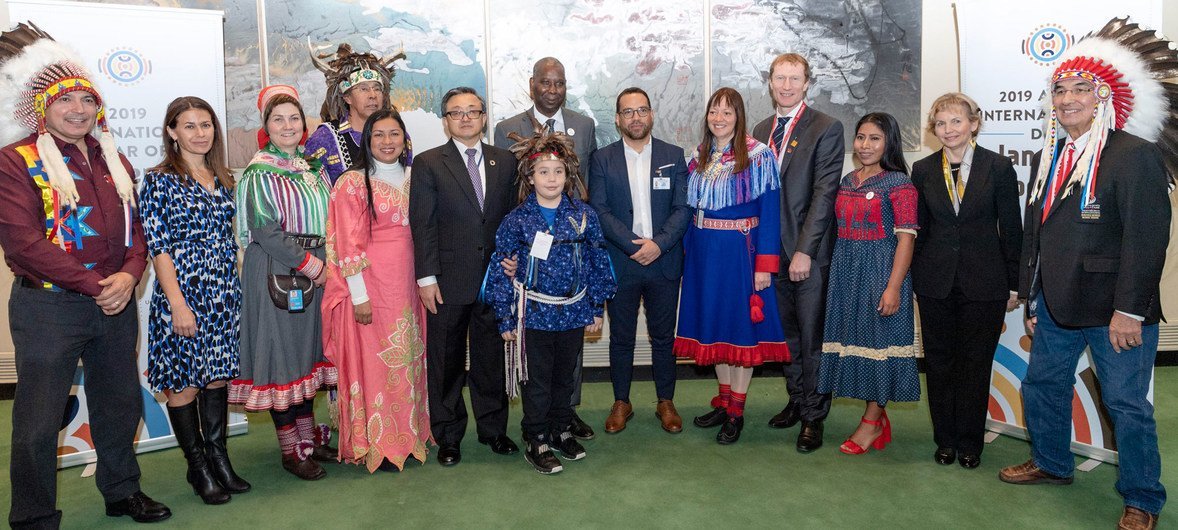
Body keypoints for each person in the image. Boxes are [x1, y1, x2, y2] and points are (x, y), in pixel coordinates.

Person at [999, 19, 1174, 530]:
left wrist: (1129, 311)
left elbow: (1146, 241)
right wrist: (1033, 297)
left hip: (1115, 310)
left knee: (1126, 405)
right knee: (1042, 386)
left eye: (1080, 89)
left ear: (1101, 98)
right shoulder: (1053, 155)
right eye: (1060, 89)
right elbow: (1039, 232)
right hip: (1055, 304)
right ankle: (1053, 464)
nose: (1068, 97)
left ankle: (1142, 498)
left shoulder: (1134, 155)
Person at [0, 23, 172, 526]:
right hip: (49, 307)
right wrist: (100, 285)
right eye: (64, 100)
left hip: (115, 303)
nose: (78, 109)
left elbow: (136, 231)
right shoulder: (16, 162)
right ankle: (33, 518)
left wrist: (130, 274)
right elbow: (23, 243)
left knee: (119, 406)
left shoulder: (114, 159)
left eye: (86, 98)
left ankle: (122, 492)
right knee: (38, 421)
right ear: (42, 109)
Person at [485, 131, 616, 474]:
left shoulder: (583, 216)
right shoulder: (516, 221)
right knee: (537, 381)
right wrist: (505, 319)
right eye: (543, 171)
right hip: (533, 316)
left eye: (558, 171)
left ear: (568, 175)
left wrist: (596, 309)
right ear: (530, 177)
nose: (551, 178)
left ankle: (559, 430)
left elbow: (598, 262)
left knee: (564, 379)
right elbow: (501, 270)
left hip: (573, 313)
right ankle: (537, 438)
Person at [140, 96, 251, 505]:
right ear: (172, 131)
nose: (200, 133)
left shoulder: (224, 177)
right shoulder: (158, 180)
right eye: (189, 125)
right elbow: (159, 248)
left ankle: (219, 458)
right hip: (183, 292)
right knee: (184, 384)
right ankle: (198, 467)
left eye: (206, 125)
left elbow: (232, 239)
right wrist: (178, 305)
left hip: (223, 291)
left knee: (217, 377)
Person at [230, 85, 339, 481]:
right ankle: (292, 451)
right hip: (281, 268)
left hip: (314, 268)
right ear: (266, 127)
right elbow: (266, 232)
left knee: (306, 355)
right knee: (283, 357)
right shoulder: (260, 172)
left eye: (294, 118)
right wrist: (313, 265)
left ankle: (309, 440)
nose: (288, 126)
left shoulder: (312, 170)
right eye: (279, 119)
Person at [409, 87, 520, 466]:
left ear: (484, 117)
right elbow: (421, 225)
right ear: (445, 121)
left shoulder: (505, 162)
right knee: (446, 361)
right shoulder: (428, 163)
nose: (466, 118)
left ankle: (493, 430)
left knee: (490, 360)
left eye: (473, 111)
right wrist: (426, 278)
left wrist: (513, 261)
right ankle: (449, 435)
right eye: (456, 113)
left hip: (493, 281)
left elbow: (510, 221)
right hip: (447, 281)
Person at [911, 92, 1022, 469]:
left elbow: (1011, 228)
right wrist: (914, 280)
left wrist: (1013, 284)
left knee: (976, 365)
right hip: (935, 283)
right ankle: (945, 440)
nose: (948, 129)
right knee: (939, 363)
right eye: (941, 123)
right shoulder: (924, 170)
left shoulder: (999, 168)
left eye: (956, 121)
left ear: (973, 123)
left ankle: (971, 442)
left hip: (986, 283)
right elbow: (919, 231)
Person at [674, 87, 789, 445]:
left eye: (727, 112)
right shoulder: (698, 157)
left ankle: (737, 410)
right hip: (703, 255)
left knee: (740, 332)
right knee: (716, 329)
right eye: (714, 111)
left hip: (741, 255)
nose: (719, 118)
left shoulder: (759, 156)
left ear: (738, 117)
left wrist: (764, 265)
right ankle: (724, 402)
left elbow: (770, 213)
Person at [494, 58, 598, 439]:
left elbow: (589, 186)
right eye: (545, 83)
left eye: (559, 83)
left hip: (571, 251)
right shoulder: (508, 129)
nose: (552, 90)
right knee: (538, 361)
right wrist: (514, 251)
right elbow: (506, 193)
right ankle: (538, 428)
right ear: (532, 84)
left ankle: (565, 416)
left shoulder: (585, 126)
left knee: (569, 353)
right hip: (531, 256)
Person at [322, 108, 431, 472]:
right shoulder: (352, 183)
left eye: (394, 134)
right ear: (367, 141)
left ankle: (410, 435)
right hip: (371, 288)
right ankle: (378, 443)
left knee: (410, 358)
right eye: (378, 135)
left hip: (410, 284)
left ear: (405, 140)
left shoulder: (418, 177)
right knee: (376, 362)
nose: (387, 142)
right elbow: (345, 243)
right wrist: (359, 295)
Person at [750, 53, 844, 453]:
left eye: (794, 78)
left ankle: (813, 417)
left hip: (808, 254)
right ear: (770, 82)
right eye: (779, 78)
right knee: (784, 336)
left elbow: (825, 194)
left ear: (807, 83)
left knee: (811, 339)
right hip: (770, 254)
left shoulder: (827, 127)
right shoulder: (758, 129)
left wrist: (805, 250)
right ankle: (796, 398)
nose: (786, 86)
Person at [588, 87, 690, 434]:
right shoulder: (602, 159)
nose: (635, 117)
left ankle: (666, 400)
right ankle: (622, 401)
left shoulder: (673, 155)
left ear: (652, 115)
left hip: (663, 261)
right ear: (618, 119)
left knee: (663, 337)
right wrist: (634, 246)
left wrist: (658, 244)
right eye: (628, 112)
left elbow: (682, 208)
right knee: (622, 337)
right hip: (622, 261)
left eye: (641, 110)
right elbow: (599, 210)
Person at [817, 112, 920, 455]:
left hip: (881, 274)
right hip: (846, 274)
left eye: (875, 138)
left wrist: (893, 287)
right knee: (855, 344)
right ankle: (876, 416)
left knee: (880, 347)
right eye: (861, 137)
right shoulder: (848, 181)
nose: (865, 145)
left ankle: (872, 422)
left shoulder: (900, 184)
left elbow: (906, 240)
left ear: (889, 142)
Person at [306, 43, 403, 184]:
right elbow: (311, 190)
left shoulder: (397, 135)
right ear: (347, 97)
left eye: (377, 89)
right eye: (363, 89)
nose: (372, 95)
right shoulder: (325, 138)